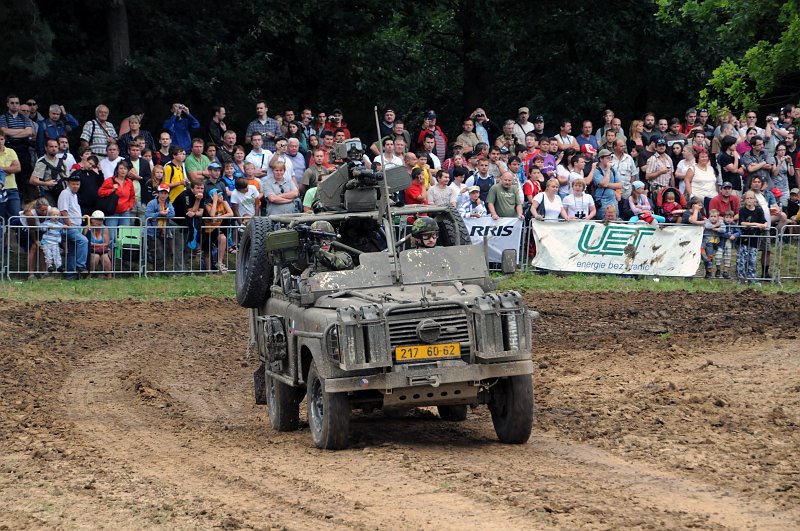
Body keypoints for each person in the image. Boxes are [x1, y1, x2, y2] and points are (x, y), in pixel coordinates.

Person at [57, 173, 89, 279]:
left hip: (76, 225)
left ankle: (70, 275)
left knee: (72, 251)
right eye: (73, 184)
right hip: (70, 226)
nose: (75, 186)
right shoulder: (65, 193)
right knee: (83, 241)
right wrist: (69, 224)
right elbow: (63, 211)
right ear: (68, 184)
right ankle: (81, 266)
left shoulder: (74, 195)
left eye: (77, 184)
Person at [737, 190, 768, 285]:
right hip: (743, 240)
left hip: (754, 240)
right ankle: (741, 280)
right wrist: (756, 224)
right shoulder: (742, 210)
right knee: (742, 261)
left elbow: (765, 222)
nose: (749, 200)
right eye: (748, 198)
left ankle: (752, 279)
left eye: (751, 198)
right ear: (745, 200)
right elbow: (742, 223)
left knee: (752, 261)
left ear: (755, 200)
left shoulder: (759, 210)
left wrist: (763, 225)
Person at [97, 160, 136, 237]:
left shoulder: (129, 182)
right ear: (117, 170)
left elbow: (132, 196)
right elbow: (100, 193)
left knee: (125, 235)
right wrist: (112, 190)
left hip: (125, 212)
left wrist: (130, 206)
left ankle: (122, 249)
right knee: (112, 236)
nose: (123, 171)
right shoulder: (109, 181)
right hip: (112, 212)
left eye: (125, 169)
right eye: (121, 168)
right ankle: (111, 249)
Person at [145, 184, 175, 270]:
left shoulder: (169, 203)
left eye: (165, 193)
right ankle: (157, 272)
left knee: (161, 253)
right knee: (158, 253)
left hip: (164, 232)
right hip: (152, 232)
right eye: (162, 193)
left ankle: (158, 272)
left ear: (168, 194)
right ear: (158, 193)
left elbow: (172, 214)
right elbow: (147, 215)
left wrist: (164, 215)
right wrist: (159, 214)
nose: (163, 195)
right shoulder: (152, 203)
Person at [29, 138, 68, 205]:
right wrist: (46, 183)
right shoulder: (42, 162)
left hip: (63, 192)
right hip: (49, 193)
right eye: (51, 146)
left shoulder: (62, 161)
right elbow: (32, 180)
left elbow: (66, 176)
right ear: (46, 148)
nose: (54, 149)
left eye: (56, 147)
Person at [203, 188, 234, 273]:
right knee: (207, 251)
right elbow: (212, 215)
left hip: (216, 229)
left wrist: (219, 217)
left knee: (223, 238)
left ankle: (219, 262)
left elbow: (231, 213)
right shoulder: (208, 204)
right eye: (218, 195)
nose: (221, 196)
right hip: (207, 231)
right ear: (212, 197)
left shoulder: (224, 203)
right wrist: (215, 201)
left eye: (221, 194)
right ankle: (209, 272)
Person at [593, 149, 622, 218]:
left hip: (613, 200)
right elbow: (604, 183)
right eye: (607, 158)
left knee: (615, 219)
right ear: (601, 159)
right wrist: (608, 169)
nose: (610, 160)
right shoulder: (597, 171)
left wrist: (606, 185)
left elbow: (619, 185)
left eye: (610, 157)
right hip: (602, 201)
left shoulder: (613, 169)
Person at [84, 210, 113, 277]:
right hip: (91, 250)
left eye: (101, 220)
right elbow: (87, 243)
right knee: (95, 257)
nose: (100, 221)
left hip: (103, 250)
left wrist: (94, 245)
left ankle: (109, 276)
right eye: (97, 219)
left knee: (105, 258)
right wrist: (99, 245)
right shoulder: (87, 229)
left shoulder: (105, 228)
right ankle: (88, 275)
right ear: (92, 220)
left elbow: (107, 243)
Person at [715, 209, 739, 279]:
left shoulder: (734, 224)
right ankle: (718, 270)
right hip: (721, 243)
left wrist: (734, 235)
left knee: (728, 257)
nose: (728, 219)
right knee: (718, 256)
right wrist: (729, 236)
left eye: (730, 217)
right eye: (727, 217)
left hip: (729, 244)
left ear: (733, 218)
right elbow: (720, 232)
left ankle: (725, 272)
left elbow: (739, 232)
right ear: (724, 218)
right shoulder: (721, 224)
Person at [701, 209, 726, 278]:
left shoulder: (720, 221)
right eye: (711, 216)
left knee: (710, 256)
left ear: (718, 217)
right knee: (701, 249)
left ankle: (709, 272)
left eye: (715, 216)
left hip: (713, 242)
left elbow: (724, 229)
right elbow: (707, 226)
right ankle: (706, 259)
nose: (713, 218)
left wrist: (716, 229)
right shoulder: (707, 221)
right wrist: (716, 226)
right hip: (705, 240)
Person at [40, 206, 64, 273]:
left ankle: (59, 266)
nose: (56, 216)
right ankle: (49, 266)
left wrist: (64, 228)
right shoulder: (46, 223)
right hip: (46, 241)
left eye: (57, 215)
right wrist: (47, 227)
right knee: (48, 254)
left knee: (57, 254)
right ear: (50, 215)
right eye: (54, 215)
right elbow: (41, 228)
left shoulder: (60, 224)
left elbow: (63, 232)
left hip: (55, 242)